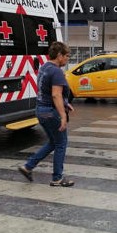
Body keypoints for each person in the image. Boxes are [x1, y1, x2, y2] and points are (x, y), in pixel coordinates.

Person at [18, 42, 75, 187]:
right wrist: (63, 116)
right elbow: (56, 94)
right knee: (61, 143)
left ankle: (28, 166)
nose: (68, 59)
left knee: (52, 142)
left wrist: (65, 103)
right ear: (59, 55)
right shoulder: (56, 71)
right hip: (50, 112)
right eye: (67, 56)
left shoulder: (44, 67)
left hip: (41, 110)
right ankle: (57, 178)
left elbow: (47, 91)